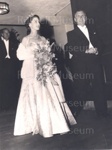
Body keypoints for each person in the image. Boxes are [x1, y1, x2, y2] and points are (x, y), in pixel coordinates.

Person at [13, 14, 76, 138]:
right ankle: (38, 124)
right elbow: (20, 55)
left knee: (50, 94)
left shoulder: (43, 39)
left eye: (38, 21)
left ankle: (56, 124)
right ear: (29, 24)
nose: (38, 23)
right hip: (32, 69)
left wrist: (47, 59)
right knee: (36, 95)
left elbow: (49, 53)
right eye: (35, 21)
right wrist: (36, 54)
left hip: (45, 68)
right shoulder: (26, 39)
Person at [65, 10, 108, 118]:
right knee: (80, 89)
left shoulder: (93, 30)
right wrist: (86, 50)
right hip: (81, 65)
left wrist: (97, 49)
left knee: (99, 87)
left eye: (83, 16)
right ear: (75, 20)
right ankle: (74, 112)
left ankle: (102, 112)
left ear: (86, 18)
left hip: (94, 62)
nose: (81, 18)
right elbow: (71, 48)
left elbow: (101, 44)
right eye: (78, 16)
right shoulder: (71, 34)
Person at [0, 28, 19, 110]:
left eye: (8, 33)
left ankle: (12, 104)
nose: (7, 34)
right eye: (5, 33)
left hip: (11, 67)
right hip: (2, 67)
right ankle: (4, 104)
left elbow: (16, 56)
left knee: (12, 85)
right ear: (2, 34)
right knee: (3, 86)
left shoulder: (13, 43)